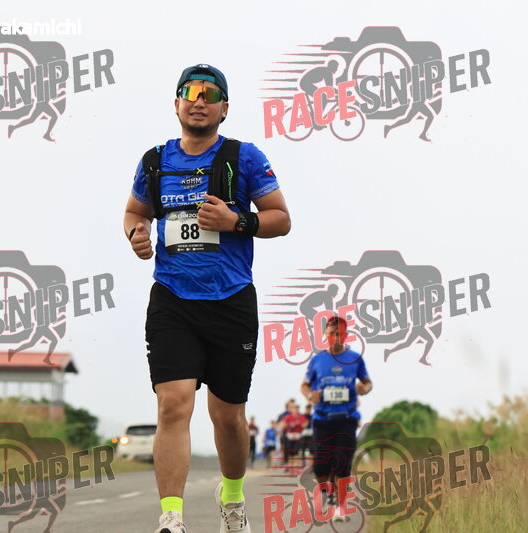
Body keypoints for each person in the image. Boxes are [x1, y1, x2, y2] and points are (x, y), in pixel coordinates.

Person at [123, 63, 291, 533]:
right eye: (190, 92)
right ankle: (171, 518)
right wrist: (136, 235)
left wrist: (238, 221)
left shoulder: (244, 157)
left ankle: (232, 499)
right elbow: (135, 212)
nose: (199, 100)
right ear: (176, 103)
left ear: (224, 108)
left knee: (228, 416)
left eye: (210, 94)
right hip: (172, 298)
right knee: (172, 404)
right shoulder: (154, 162)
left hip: (230, 299)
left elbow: (280, 218)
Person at [300, 316, 372, 522]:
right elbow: (304, 385)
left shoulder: (355, 359)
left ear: (346, 335)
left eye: (339, 333)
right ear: (325, 335)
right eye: (332, 333)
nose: (336, 337)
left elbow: (368, 382)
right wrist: (310, 395)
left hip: (347, 419)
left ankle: (340, 507)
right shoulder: (317, 360)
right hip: (322, 420)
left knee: (342, 464)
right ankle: (328, 491)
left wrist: (363, 388)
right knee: (320, 467)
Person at [280, 403, 307, 472]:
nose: (296, 410)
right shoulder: (288, 417)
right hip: (290, 437)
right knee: (290, 453)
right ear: (292, 409)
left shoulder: (301, 417)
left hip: (298, 437)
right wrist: (288, 425)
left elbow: (305, 424)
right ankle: (291, 467)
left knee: (296, 452)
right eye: (294, 408)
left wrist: (299, 424)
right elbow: (282, 425)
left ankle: (296, 467)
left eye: (297, 408)